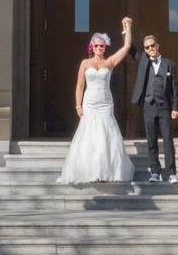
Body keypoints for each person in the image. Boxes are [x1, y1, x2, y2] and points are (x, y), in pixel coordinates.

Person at [56, 17, 136, 184]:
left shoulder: (110, 62)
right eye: (97, 45)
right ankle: (89, 170)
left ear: (105, 47)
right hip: (89, 103)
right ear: (92, 47)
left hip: (106, 103)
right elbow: (79, 86)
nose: (99, 48)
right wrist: (78, 105)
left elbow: (127, 47)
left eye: (102, 45)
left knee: (106, 136)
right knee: (90, 135)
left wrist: (127, 27)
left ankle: (106, 171)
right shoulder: (85, 63)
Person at [130, 35, 178, 183]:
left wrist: (175, 107)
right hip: (149, 106)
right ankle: (155, 172)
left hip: (164, 107)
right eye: (147, 47)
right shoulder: (143, 62)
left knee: (167, 140)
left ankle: (171, 173)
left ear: (157, 45)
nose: (150, 49)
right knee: (151, 140)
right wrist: (127, 29)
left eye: (152, 45)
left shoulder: (170, 64)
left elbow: (175, 89)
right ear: (144, 50)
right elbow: (131, 49)